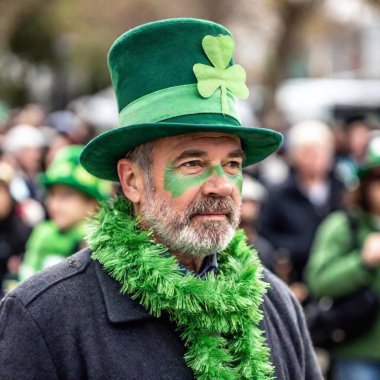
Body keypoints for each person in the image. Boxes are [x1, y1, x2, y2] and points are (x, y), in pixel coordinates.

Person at [0, 19, 322, 379]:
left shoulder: (276, 303)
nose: (221, 185)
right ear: (132, 181)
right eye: (193, 162)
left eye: (232, 164)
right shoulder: (44, 317)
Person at [307, 136, 380, 380]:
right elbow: (319, 282)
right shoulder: (342, 225)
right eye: (378, 179)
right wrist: (363, 261)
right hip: (358, 353)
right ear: (365, 185)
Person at [258, 120, 345, 300]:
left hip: (337, 277)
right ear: (294, 155)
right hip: (295, 280)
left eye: (321, 150)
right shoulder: (278, 194)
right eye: (308, 151)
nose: (315, 157)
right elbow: (265, 234)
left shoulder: (343, 190)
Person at [19, 145, 111, 281]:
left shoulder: (104, 245)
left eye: (66, 196)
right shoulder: (43, 235)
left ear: (93, 202)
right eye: (52, 194)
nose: (54, 205)